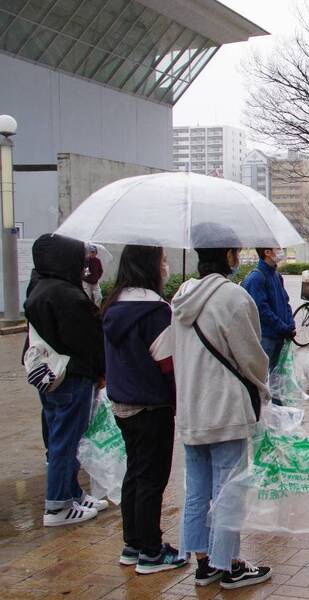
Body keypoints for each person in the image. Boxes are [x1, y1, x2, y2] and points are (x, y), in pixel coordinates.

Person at [171, 230, 273, 590]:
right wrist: (264, 387)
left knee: (197, 490)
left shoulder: (181, 295)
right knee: (230, 490)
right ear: (229, 255)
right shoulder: (233, 297)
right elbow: (251, 356)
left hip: (190, 410)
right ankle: (230, 565)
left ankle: (203, 564)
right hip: (226, 409)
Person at [101, 245, 186, 573]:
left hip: (122, 405)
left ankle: (133, 544)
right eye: (163, 260)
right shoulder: (155, 313)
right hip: (153, 407)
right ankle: (151, 552)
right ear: (150, 266)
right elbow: (168, 364)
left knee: (135, 474)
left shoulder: (112, 307)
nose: (166, 266)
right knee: (152, 479)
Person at [25, 234, 109, 527]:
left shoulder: (39, 289)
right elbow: (89, 340)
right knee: (67, 440)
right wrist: (101, 370)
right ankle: (58, 505)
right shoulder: (68, 296)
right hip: (73, 376)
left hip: (52, 375)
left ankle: (72, 493)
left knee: (62, 436)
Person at [242, 248, 295, 378]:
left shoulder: (276, 275)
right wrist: (283, 327)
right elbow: (262, 310)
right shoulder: (256, 278)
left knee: (278, 379)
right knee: (263, 377)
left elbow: (285, 301)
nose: (281, 251)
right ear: (267, 252)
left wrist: (290, 323)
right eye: (277, 248)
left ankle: (277, 399)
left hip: (280, 335)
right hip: (266, 337)